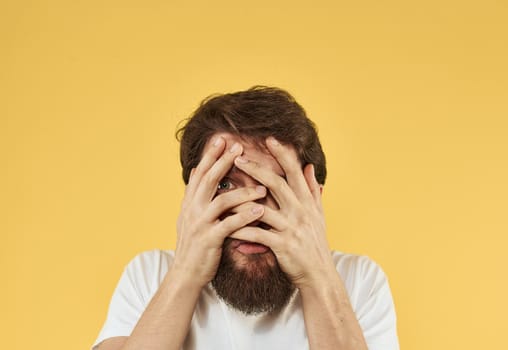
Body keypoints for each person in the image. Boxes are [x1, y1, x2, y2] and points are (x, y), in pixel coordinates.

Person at [92, 86, 399, 350]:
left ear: (312, 198)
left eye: (276, 184)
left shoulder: (358, 280)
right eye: (225, 184)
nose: (251, 213)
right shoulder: (150, 275)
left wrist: (316, 275)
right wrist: (186, 272)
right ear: (193, 198)